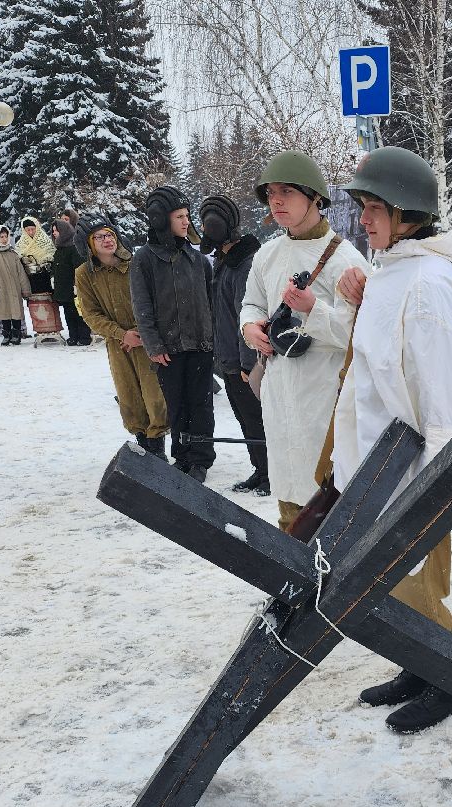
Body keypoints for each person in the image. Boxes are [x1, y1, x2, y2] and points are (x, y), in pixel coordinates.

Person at [334, 146, 452, 734]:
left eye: (375, 208)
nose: (365, 219)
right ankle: (416, 665)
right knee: (392, 587)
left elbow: (447, 398)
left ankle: (445, 682)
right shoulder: (394, 274)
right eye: (364, 207)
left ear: (407, 214)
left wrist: (438, 490)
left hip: (412, 472)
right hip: (381, 465)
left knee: (415, 583)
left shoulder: (427, 286)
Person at [239, 152, 370, 528]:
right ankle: (292, 575)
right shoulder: (267, 255)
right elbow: (251, 303)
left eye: (286, 192)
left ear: (314, 197)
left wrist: (313, 310)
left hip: (324, 398)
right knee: (286, 487)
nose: (276, 201)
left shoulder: (347, 261)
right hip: (280, 396)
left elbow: (360, 335)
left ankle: (325, 581)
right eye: (271, 194)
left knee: (326, 497)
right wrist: (250, 329)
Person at [129, 185, 216, 481]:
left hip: (201, 346)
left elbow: (210, 303)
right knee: (176, 406)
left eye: (187, 215)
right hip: (168, 350)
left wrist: (211, 339)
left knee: (201, 404)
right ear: (160, 220)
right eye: (179, 216)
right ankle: (182, 456)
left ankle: (201, 459)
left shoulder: (199, 261)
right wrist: (153, 345)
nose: (186, 221)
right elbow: (142, 305)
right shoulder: (144, 259)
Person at [74, 216, 169, 457]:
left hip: (147, 338)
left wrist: (142, 332)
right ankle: (143, 450)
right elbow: (90, 313)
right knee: (130, 397)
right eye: (99, 237)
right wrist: (121, 334)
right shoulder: (85, 274)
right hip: (118, 345)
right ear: (89, 244)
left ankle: (157, 450)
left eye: (109, 235)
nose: (107, 240)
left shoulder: (136, 264)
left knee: (154, 395)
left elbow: (155, 300)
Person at [200, 193, 270, 496]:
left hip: (245, 360)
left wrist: (247, 363)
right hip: (229, 358)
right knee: (246, 420)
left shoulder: (245, 264)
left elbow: (248, 315)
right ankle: (261, 469)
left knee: (258, 420)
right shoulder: (225, 262)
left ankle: (271, 473)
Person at [0, 222, 31, 345]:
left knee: (16, 311)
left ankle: (17, 333)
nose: (4, 239)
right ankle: (7, 333)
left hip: (14, 287)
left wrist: (25, 288)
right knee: (5, 311)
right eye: (1, 237)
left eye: (5, 236)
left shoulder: (11, 252)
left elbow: (20, 272)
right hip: (1, 287)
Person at [50, 219, 91, 345]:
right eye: (53, 231)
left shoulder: (74, 248)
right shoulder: (59, 249)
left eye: (57, 231)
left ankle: (84, 336)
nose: (54, 233)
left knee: (79, 312)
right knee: (68, 313)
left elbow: (79, 267)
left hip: (74, 287)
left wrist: (77, 284)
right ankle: (73, 335)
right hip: (63, 288)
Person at [16, 216, 55, 294]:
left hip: (46, 278)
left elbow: (52, 253)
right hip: (30, 280)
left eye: (33, 229)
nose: (31, 232)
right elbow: (18, 259)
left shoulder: (45, 241)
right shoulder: (20, 244)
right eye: (28, 230)